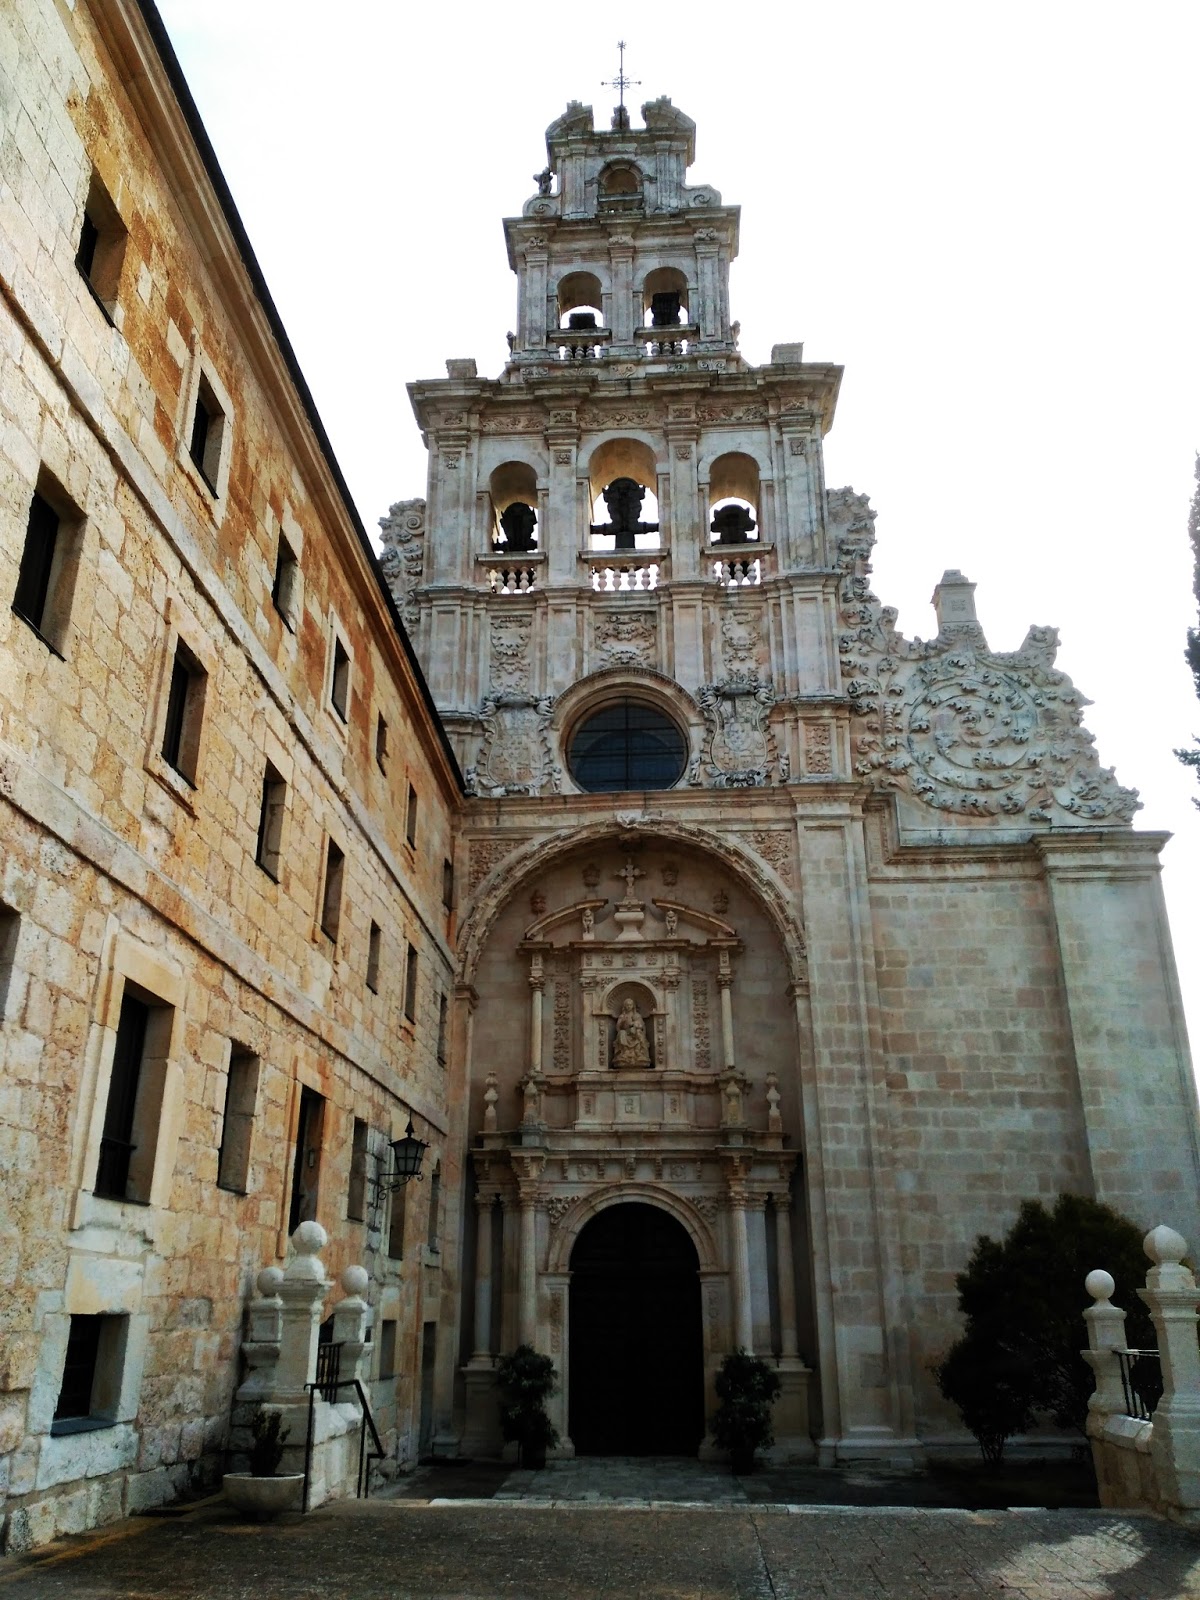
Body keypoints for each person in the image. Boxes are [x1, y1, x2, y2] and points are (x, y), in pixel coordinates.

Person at [613, 997, 651, 1067]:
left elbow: (642, 1026)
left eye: (630, 1005)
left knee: (638, 1033)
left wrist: (635, 1026)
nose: (628, 1007)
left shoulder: (637, 1015)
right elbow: (618, 1028)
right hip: (625, 1032)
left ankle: (638, 1051)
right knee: (621, 1033)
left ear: (633, 1006)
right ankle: (625, 1051)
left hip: (635, 1033)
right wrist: (622, 1023)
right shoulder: (622, 1016)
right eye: (627, 1005)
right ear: (624, 1006)